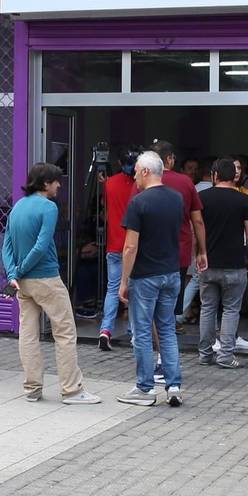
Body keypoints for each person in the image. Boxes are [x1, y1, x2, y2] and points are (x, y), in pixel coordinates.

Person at [3, 162, 97, 404]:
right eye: (56, 181)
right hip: (46, 278)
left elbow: (7, 246)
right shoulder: (49, 207)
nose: (58, 185)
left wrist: (13, 274)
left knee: (28, 334)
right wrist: (21, 269)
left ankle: (32, 389)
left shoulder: (18, 206)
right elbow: (42, 246)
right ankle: (72, 390)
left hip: (22, 284)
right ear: (46, 183)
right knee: (65, 331)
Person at [117, 151, 185, 408]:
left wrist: (124, 280)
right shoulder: (177, 198)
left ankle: (145, 388)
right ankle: (174, 384)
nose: (133, 175)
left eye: (136, 170)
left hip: (145, 275)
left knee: (143, 332)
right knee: (167, 329)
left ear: (146, 171)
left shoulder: (138, 203)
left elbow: (130, 247)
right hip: (171, 272)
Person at [197, 158, 248, 368]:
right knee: (231, 309)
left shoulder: (202, 197)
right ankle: (225, 356)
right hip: (234, 263)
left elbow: (196, 227)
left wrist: (199, 253)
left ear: (215, 175)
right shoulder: (243, 200)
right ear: (234, 176)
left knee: (207, 309)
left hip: (208, 262)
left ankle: (205, 354)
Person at [149, 140, 208, 322]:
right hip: (179, 249)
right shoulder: (185, 182)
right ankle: (167, 339)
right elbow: (197, 220)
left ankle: (152, 341)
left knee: (150, 304)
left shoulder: (144, 181)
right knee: (171, 305)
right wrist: (202, 251)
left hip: (150, 251)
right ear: (170, 160)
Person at [98, 151, 137, 353]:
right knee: (134, 290)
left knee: (113, 289)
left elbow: (104, 208)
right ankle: (133, 332)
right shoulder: (142, 185)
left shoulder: (109, 183)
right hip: (135, 245)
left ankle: (106, 330)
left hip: (114, 245)